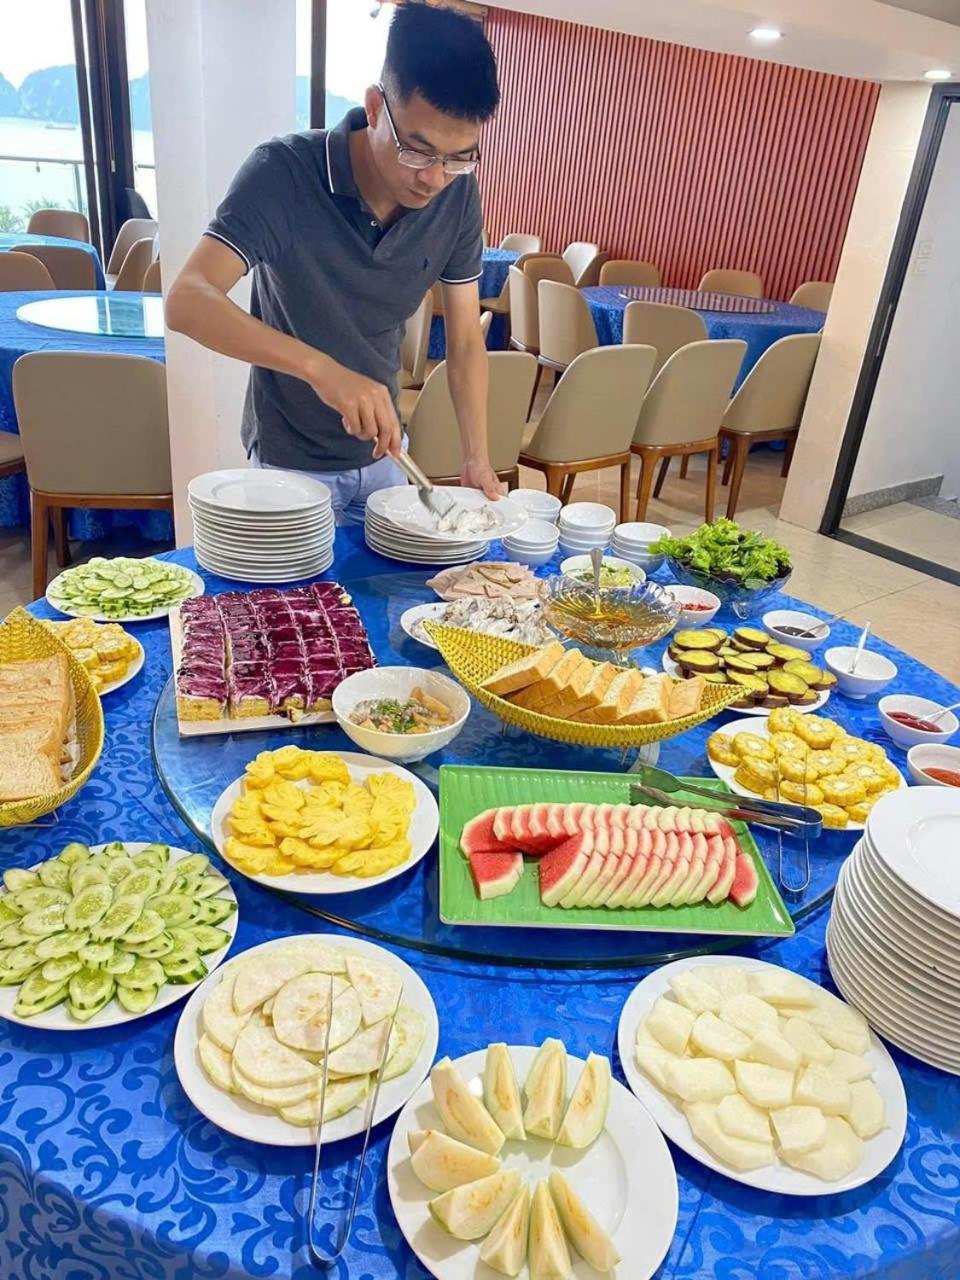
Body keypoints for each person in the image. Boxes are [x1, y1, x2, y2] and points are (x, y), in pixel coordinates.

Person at [165, 3, 503, 525]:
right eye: (419, 150)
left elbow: (463, 339)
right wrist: (321, 369)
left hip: (387, 456)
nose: (434, 178)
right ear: (374, 107)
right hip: (289, 461)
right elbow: (187, 300)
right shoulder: (283, 173)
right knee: (295, 608)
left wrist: (476, 456)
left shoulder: (456, 196)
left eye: (460, 157)